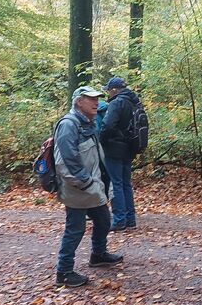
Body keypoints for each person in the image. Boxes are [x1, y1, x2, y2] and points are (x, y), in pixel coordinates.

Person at [55, 86, 123, 287]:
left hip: (92, 187)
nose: (96, 102)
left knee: (103, 220)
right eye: (91, 99)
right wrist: (85, 182)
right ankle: (64, 272)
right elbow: (65, 161)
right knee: (75, 229)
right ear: (79, 102)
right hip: (78, 188)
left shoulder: (87, 123)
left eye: (97, 98)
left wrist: (98, 183)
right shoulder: (68, 125)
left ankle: (98, 254)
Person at [100, 76, 143, 231]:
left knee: (116, 183)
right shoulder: (134, 102)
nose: (108, 94)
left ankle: (119, 220)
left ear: (114, 90)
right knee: (126, 183)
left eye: (109, 91)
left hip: (114, 148)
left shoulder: (117, 103)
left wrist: (102, 140)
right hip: (129, 148)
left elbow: (107, 125)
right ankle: (130, 219)